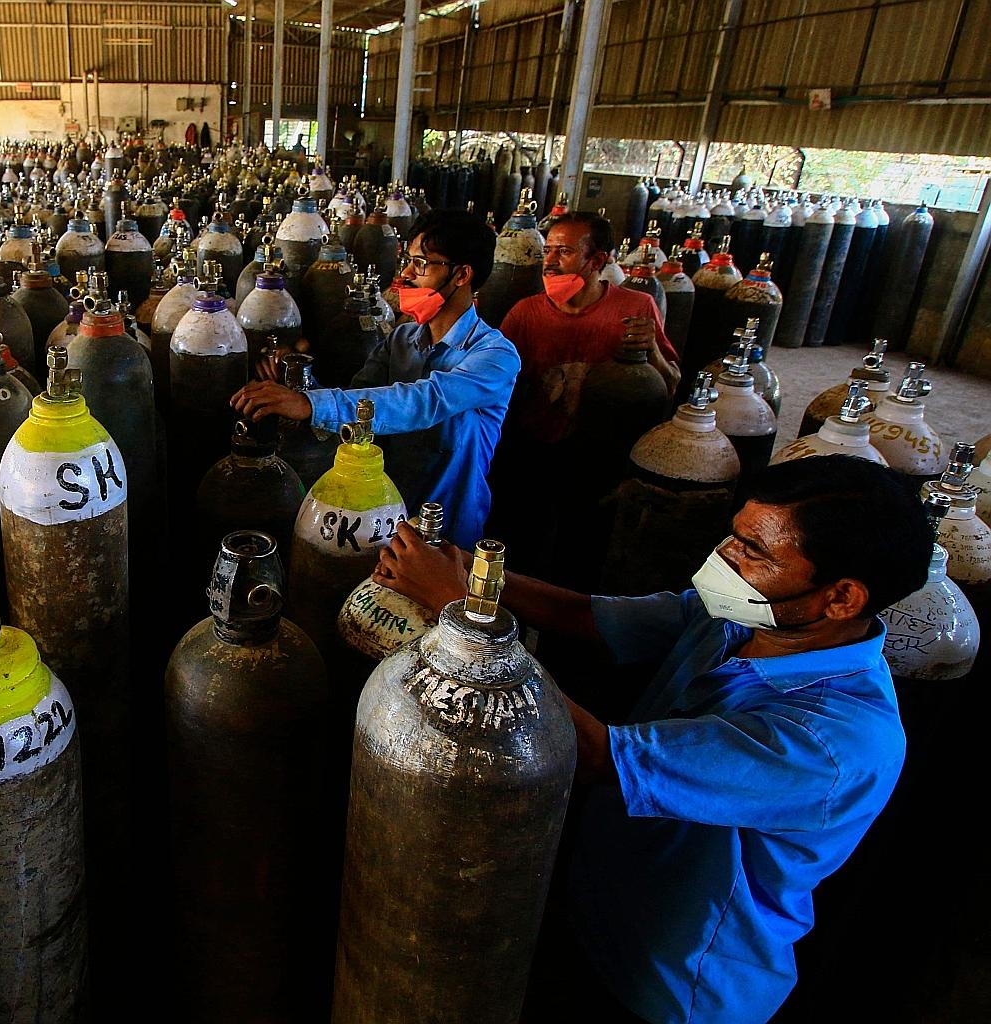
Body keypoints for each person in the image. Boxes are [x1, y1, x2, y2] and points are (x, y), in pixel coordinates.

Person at [374, 454, 929, 1024]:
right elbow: (592, 617)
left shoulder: (835, 741)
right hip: (597, 907)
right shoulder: (744, 618)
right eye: (733, 536)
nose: (724, 558)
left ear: (841, 598)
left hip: (669, 981)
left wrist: (458, 612)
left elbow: (593, 757)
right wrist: (472, 577)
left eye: (753, 551)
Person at [230, 208, 519, 550]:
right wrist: (296, 381)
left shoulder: (494, 356)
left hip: (446, 533)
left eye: (421, 264)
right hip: (381, 519)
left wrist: (309, 403)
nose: (407, 274)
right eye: (407, 261)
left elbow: (424, 402)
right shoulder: (402, 339)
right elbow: (358, 407)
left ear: (462, 275)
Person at [486, 210, 681, 580]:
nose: (551, 262)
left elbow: (670, 385)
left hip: (600, 459)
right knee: (520, 551)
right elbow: (497, 392)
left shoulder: (636, 309)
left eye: (564, 251)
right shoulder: (526, 314)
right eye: (548, 251)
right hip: (533, 452)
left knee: (580, 554)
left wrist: (652, 351)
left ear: (597, 260)